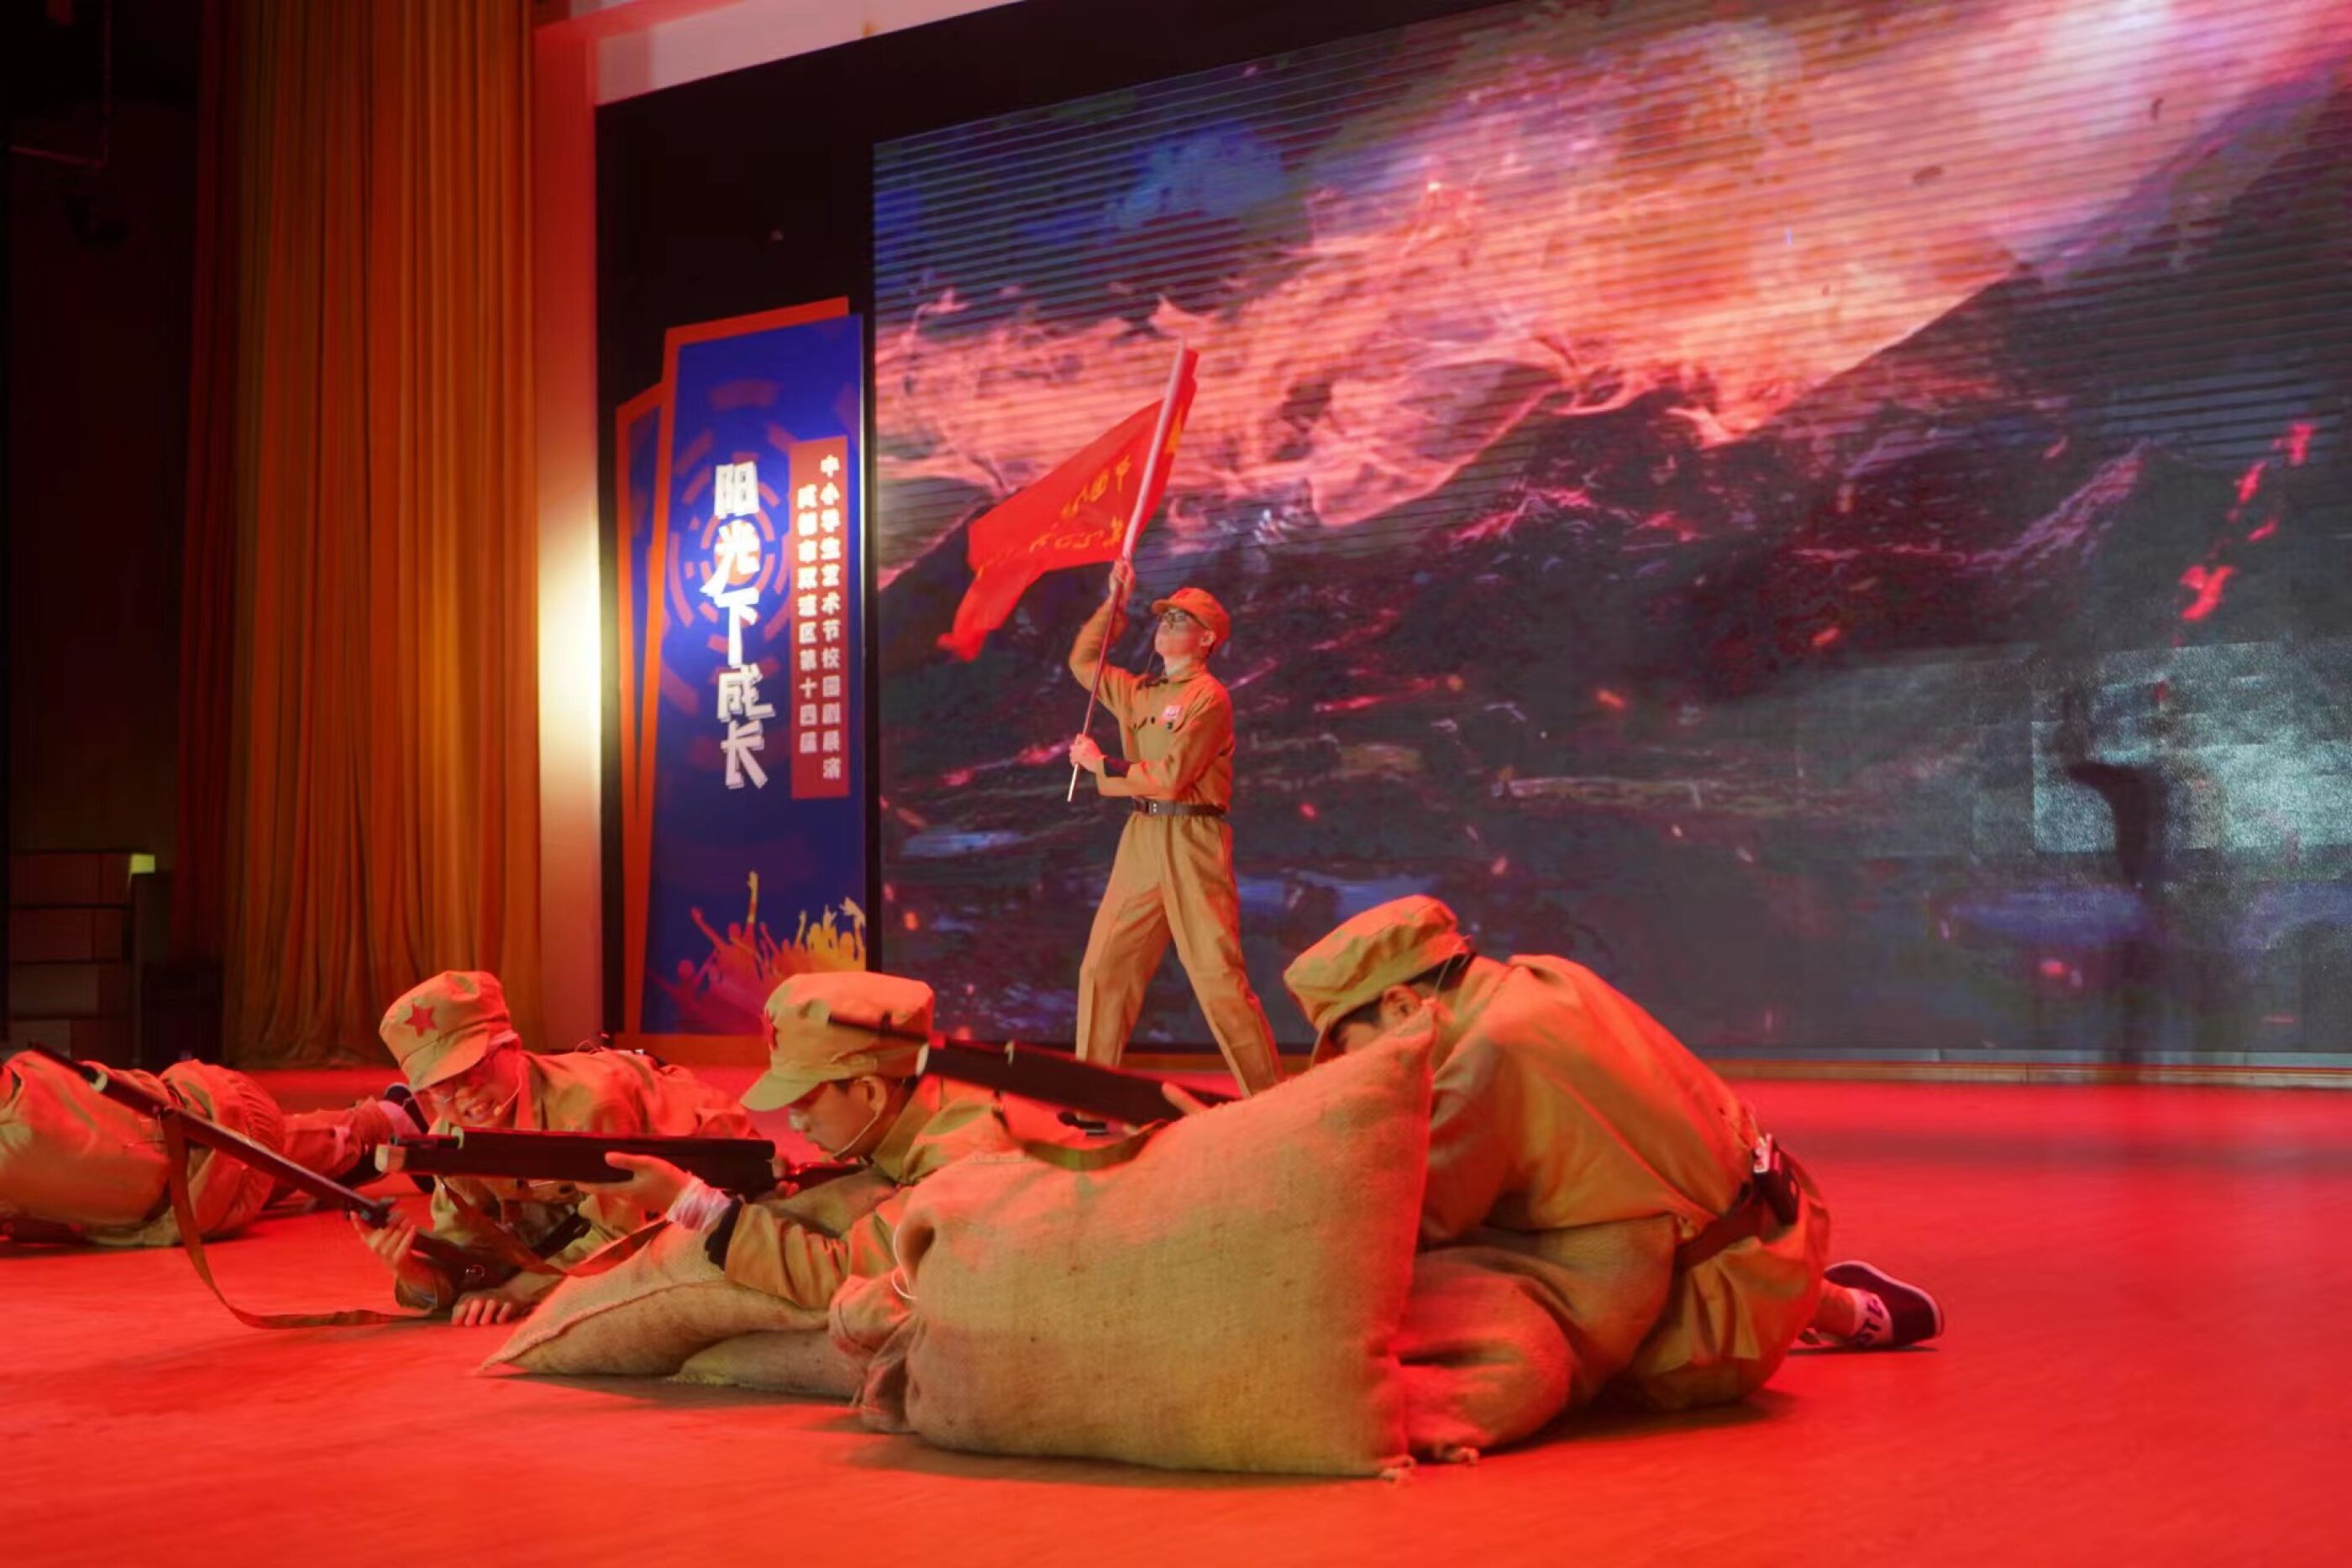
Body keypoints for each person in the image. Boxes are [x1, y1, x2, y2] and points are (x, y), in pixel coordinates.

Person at [1283, 895, 1941, 1420]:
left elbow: (1414, 1220)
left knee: (1441, 1267)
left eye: (1351, 1045)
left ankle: (1831, 1308)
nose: (1354, 1067)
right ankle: (1846, 1308)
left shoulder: (1485, 1064)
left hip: (1709, 1343)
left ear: (1402, 1004)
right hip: (1777, 1241)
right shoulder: (1549, 978)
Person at [352, 970, 753, 1326]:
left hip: (712, 1163)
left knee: (688, 1260)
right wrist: (411, 1270)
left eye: (475, 1067)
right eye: (440, 1085)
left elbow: (618, 1236)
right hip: (573, 1199)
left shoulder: (590, 1103)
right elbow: (472, 1250)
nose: (463, 1092)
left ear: (513, 1047)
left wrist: (518, 1292)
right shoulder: (448, 1136)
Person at [602, 970, 1016, 1312]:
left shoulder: (961, 1159)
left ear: (870, 1093)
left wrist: (696, 1205)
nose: (795, 1124)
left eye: (803, 1102)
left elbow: (848, 1277)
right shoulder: (929, 1099)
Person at [1061, 557, 1281, 1096]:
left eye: (1181, 619)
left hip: (1192, 839)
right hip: (1142, 838)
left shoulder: (1208, 698)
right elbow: (1084, 661)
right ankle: (1091, 1098)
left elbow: (1172, 778)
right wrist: (1115, 603)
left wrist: (1101, 765)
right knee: (1105, 968)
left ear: (1207, 639)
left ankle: (1271, 1099)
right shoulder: (1139, 691)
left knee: (1215, 976)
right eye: (1164, 616)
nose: (1167, 623)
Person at [1, 1047, 417, 1247]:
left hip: (198, 1155)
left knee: (273, 1153)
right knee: (270, 1159)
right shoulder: (32, 1070)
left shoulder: (30, 1090)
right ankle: (377, 1130)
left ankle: (383, 1124)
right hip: (190, 1165)